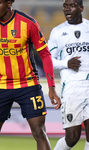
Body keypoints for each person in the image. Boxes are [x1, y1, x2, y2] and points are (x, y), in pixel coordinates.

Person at [0, 0, 61, 150]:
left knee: (39, 132)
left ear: (9, 3)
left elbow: (45, 54)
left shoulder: (28, 23)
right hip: (0, 85)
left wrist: (52, 87)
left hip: (28, 84)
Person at [48, 0, 89, 149]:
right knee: (72, 137)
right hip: (72, 89)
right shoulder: (57, 32)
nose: (67, 9)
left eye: (71, 6)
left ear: (81, 8)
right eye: (65, 6)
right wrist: (66, 63)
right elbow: (48, 60)